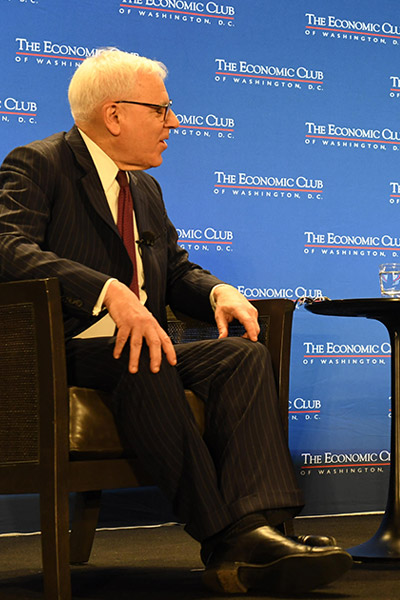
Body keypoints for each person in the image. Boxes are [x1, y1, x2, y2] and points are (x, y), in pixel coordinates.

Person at [0, 48, 352, 594]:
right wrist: (104, 290)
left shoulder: (143, 188)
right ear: (115, 115)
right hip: (61, 348)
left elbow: (177, 267)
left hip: (139, 343)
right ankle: (227, 538)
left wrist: (218, 291)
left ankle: (261, 526)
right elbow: (6, 245)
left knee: (241, 356)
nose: (175, 122)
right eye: (161, 110)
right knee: (145, 354)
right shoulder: (39, 163)